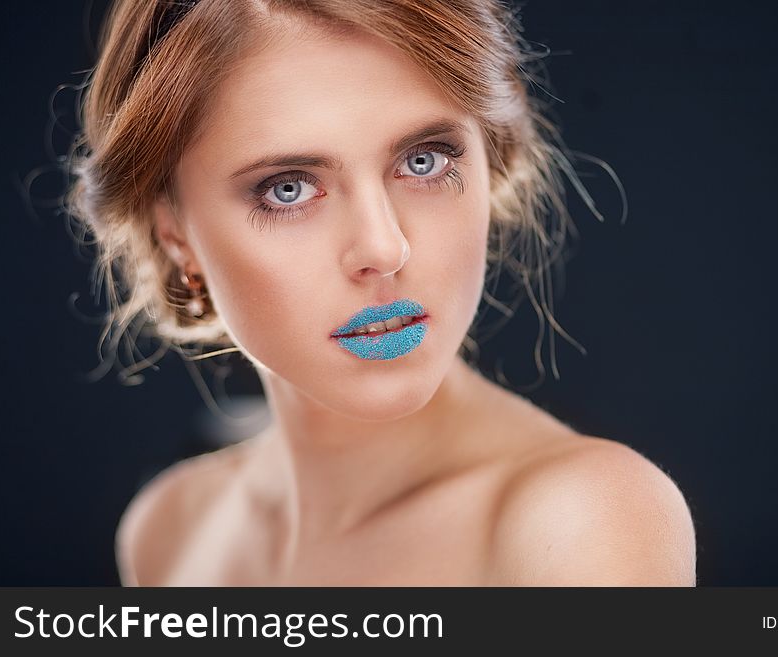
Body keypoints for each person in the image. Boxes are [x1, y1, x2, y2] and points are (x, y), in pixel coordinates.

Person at [67, 0, 696, 586]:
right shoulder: (173, 533)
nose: (383, 248)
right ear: (177, 239)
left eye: (424, 160)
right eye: (288, 188)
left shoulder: (582, 522)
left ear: (491, 161)